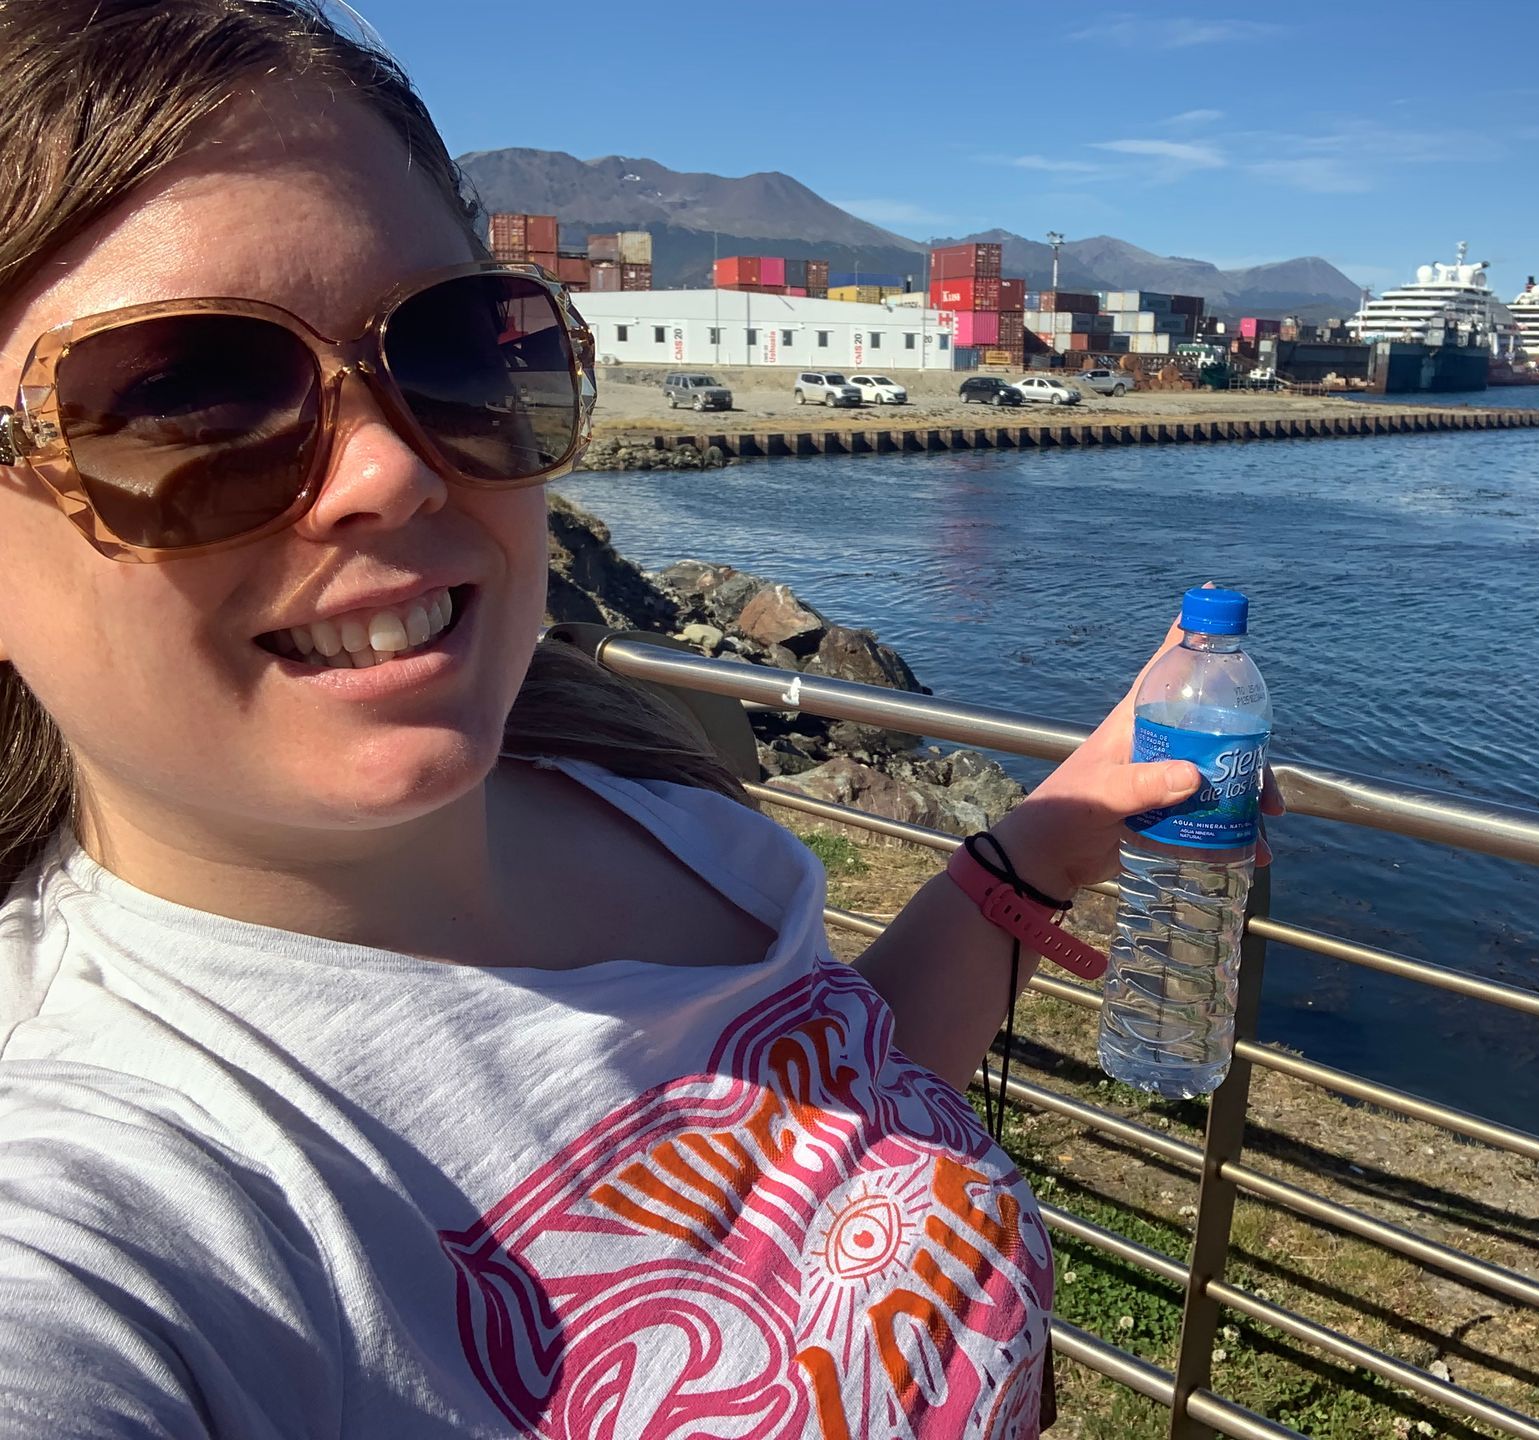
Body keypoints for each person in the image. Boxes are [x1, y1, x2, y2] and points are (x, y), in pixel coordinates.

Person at [0, 3, 1279, 1435]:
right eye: (185, 399)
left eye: (457, 352)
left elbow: (824, 1111)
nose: (393, 473)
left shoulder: (617, 772)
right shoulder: (96, 1208)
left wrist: (1044, 843)